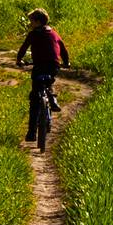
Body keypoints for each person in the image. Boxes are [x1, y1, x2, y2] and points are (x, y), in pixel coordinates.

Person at [14, 8, 70, 142]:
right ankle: (52, 98)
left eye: (31, 21)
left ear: (38, 22)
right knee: (49, 81)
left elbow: (23, 48)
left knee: (35, 99)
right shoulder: (54, 34)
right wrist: (67, 63)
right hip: (53, 65)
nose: (30, 24)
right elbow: (63, 49)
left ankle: (32, 133)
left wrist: (19, 60)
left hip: (39, 66)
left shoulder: (33, 34)